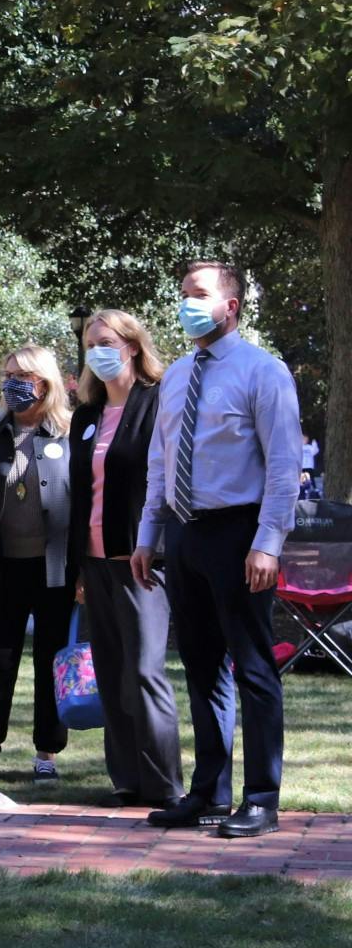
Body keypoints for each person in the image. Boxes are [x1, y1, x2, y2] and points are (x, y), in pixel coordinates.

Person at [134, 260, 302, 839]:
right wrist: (147, 535)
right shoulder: (177, 375)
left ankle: (261, 798)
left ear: (230, 306)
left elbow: (284, 468)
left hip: (239, 534)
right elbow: (161, 462)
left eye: (199, 294)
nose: (187, 303)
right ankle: (208, 792)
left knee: (253, 667)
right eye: (183, 294)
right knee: (202, 668)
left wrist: (268, 543)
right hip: (183, 534)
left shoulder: (264, 371)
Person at [71, 309, 183, 809]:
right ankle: (127, 780)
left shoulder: (157, 402)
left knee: (143, 671)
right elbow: (81, 493)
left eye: (106, 341)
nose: (96, 349)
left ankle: (166, 786)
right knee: (110, 670)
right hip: (93, 560)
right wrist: (78, 565)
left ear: (132, 346)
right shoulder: (86, 415)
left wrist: (154, 543)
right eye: (89, 342)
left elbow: (167, 481)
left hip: (142, 560)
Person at [0, 346, 77, 786]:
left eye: (22, 376)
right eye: (7, 374)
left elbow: (82, 502)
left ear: (44, 383)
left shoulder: (69, 433)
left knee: (51, 662)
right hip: (4, 569)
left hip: (54, 571)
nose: (12, 383)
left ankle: (47, 753)